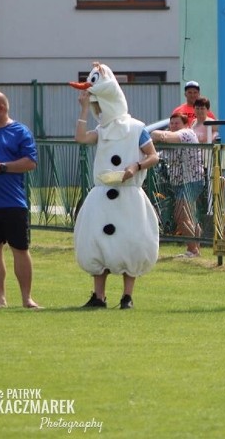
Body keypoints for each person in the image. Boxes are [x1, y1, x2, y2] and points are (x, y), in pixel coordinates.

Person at [71, 63, 160, 310]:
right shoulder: (101, 130)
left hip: (129, 195)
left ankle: (127, 296)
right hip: (102, 193)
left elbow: (153, 156)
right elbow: (80, 138)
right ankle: (98, 296)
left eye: (99, 105)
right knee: (98, 240)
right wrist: (84, 109)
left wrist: (135, 167)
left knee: (130, 241)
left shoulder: (137, 128)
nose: (98, 111)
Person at [0, 91, 39, 309]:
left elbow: (30, 162)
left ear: (1, 108)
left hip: (12, 202)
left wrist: (2, 167)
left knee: (20, 248)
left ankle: (26, 298)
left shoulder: (20, 131)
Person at [151, 113, 205, 258]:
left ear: (185, 125)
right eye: (171, 123)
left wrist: (155, 134)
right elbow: (158, 154)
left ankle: (192, 250)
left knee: (180, 215)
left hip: (191, 181)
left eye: (177, 123)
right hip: (180, 183)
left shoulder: (186, 134)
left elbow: (161, 136)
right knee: (190, 216)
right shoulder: (173, 139)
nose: (173, 126)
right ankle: (195, 249)